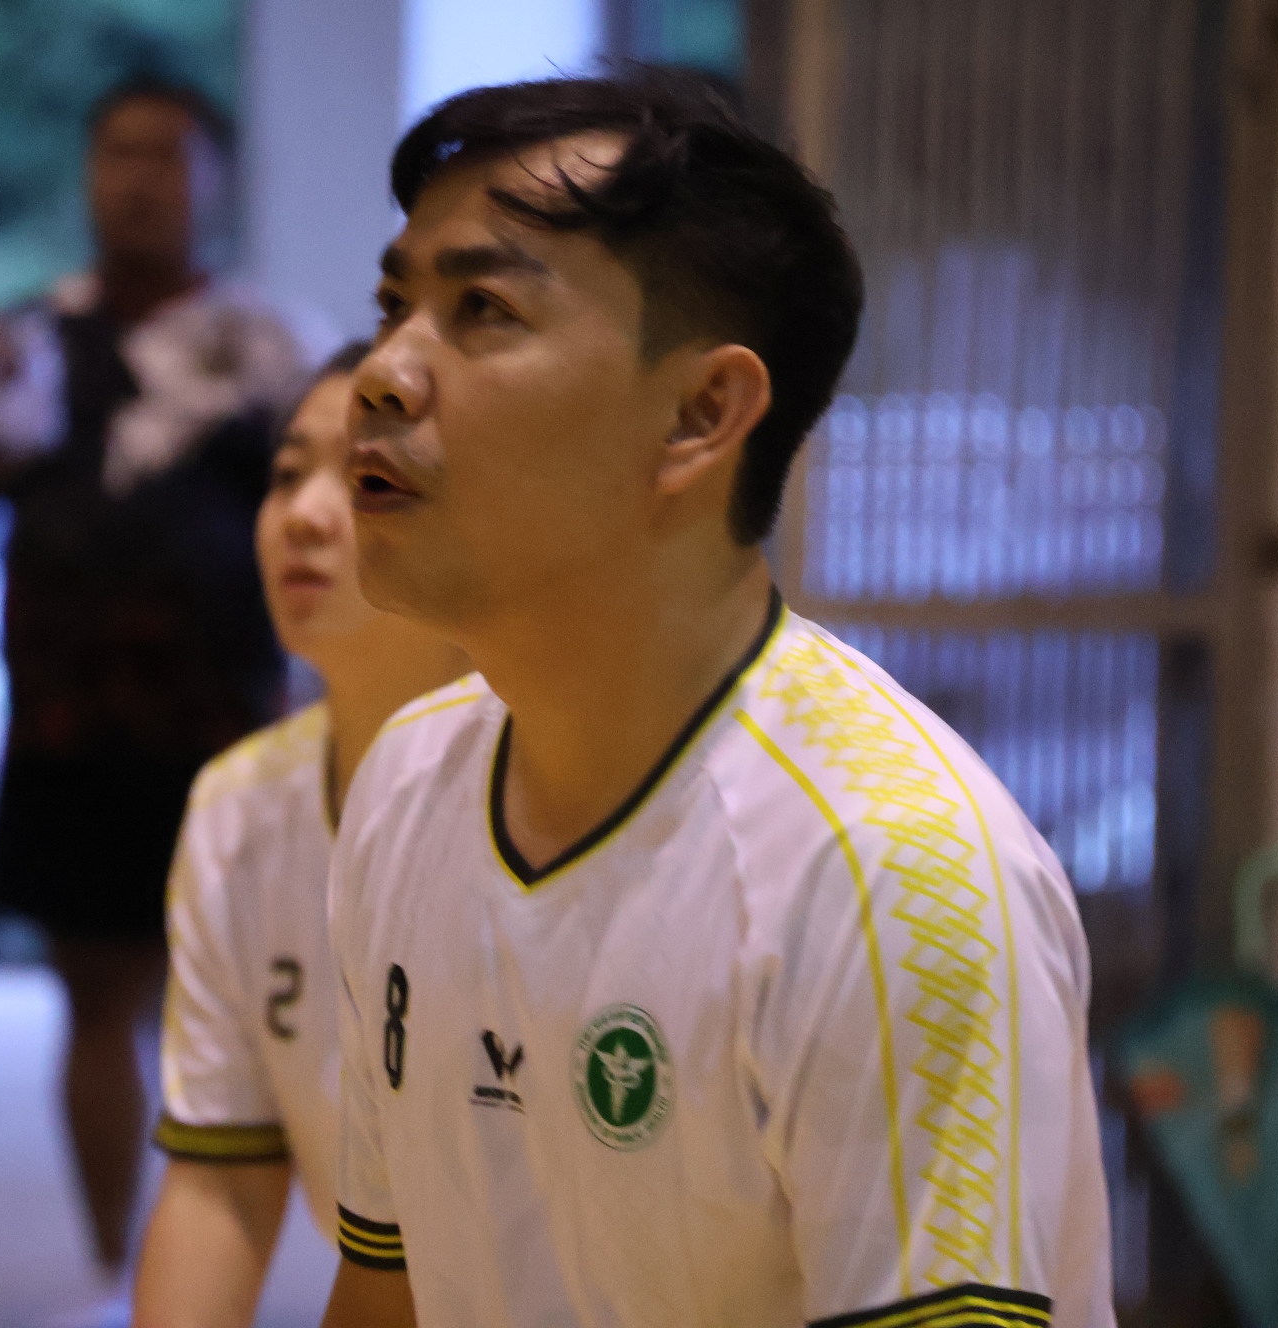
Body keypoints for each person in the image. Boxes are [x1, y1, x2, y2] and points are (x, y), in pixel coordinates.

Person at [320, 69, 1114, 1328]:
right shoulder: (408, 782)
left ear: (701, 413)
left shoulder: (895, 870)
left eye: (482, 309)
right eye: (392, 304)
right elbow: (387, 1292)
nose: (381, 373)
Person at [0, 74, 311, 1276]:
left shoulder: (274, 348)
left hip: (228, 733)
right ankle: (110, 1274)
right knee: (92, 1002)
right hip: (66, 728)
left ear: (216, 178)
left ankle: (225, 1270)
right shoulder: (18, 343)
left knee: (235, 1007)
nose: (138, 178)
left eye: (167, 154)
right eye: (117, 153)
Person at [130, 343, 468, 1328]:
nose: (305, 516)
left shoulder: (553, 794)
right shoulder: (237, 805)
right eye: (286, 475)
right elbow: (221, 1187)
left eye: (365, 478)